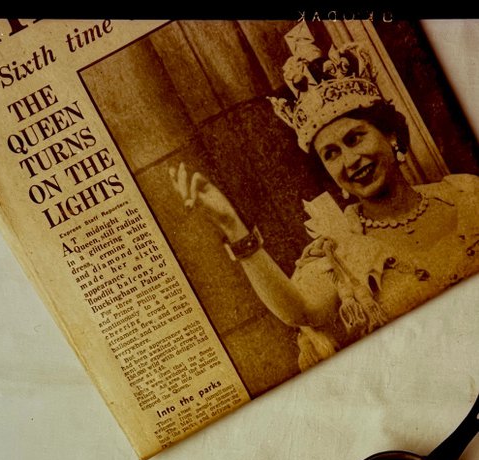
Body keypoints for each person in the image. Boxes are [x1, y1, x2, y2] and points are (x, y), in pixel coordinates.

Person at [170, 21, 479, 371]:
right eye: (330, 154)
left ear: (391, 135)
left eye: (355, 138)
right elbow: (299, 309)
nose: (349, 161)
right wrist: (236, 231)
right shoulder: (337, 251)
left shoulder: (467, 195)